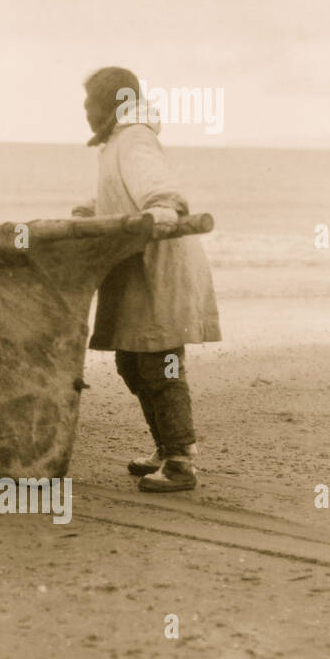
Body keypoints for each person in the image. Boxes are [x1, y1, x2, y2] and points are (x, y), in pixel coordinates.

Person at [74, 66, 221, 492]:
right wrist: (89, 209)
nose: (84, 112)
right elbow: (120, 190)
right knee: (131, 364)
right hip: (133, 272)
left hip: (158, 267)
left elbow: (157, 186)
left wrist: (164, 208)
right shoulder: (116, 144)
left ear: (115, 103)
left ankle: (180, 463)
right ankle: (165, 447)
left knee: (161, 364)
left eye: (89, 104)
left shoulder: (135, 137)